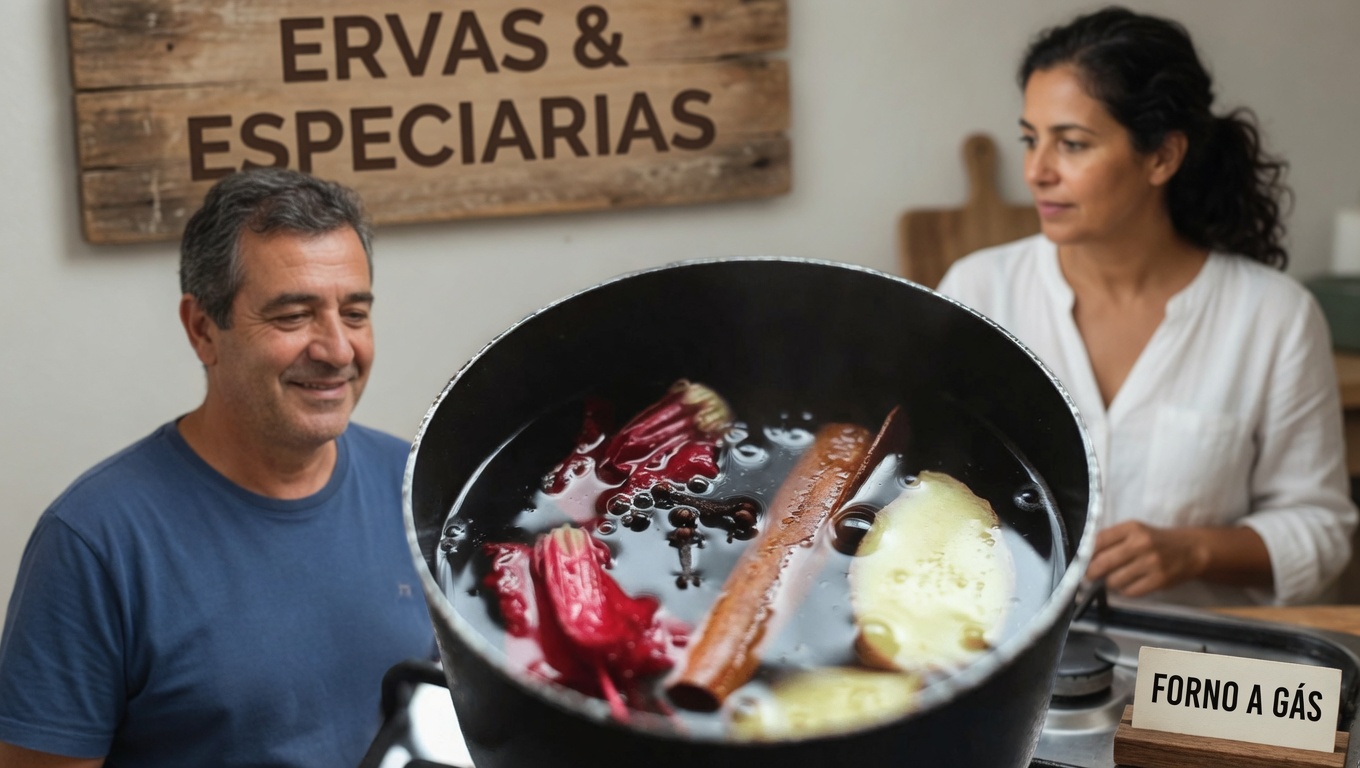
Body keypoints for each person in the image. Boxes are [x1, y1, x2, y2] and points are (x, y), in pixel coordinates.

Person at [0, 168, 435, 766]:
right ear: (203, 330)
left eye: (354, 313)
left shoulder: (419, 488)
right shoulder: (94, 542)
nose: (337, 350)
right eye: (293, 315)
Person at [937, 6, 1357, 606]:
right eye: (1031, 139)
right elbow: (933, 487)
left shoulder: (1274, 318)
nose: (1036, 171)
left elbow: (1322, 531)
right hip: (1021, 659)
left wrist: (1195, 549)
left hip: (1201, 678)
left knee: (1318, 701)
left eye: (1072, 144)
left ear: (1162, 157)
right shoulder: (979, 291)